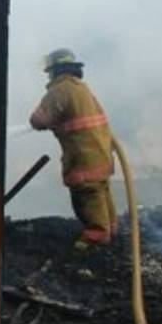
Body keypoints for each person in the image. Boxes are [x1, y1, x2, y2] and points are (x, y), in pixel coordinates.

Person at [28, 49, 117, 248]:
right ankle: (110, 228)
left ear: (55, 70)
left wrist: (44, 122)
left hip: (83, 155)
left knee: (87, 195)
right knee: (101, 190)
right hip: (101, 151)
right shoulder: (81, 88)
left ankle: (96, 235)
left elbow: (38, 120)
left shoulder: (60, 90)